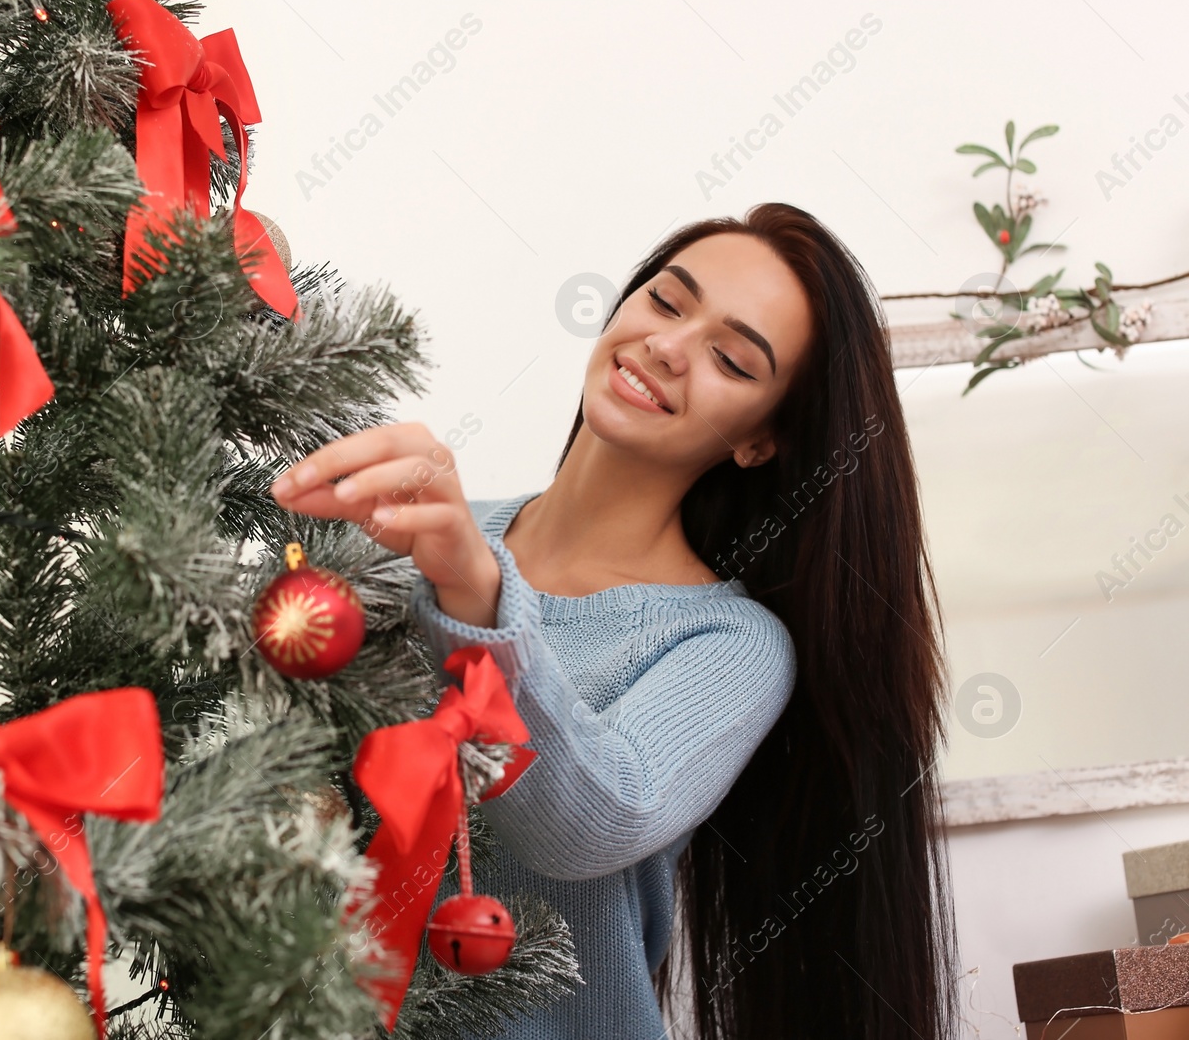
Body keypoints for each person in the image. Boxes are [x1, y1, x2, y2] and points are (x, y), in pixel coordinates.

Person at [269, 203, 957, 1040]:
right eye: (666, 303)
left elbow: (592, 821)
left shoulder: (728, 645)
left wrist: (474, 594)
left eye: (731, 359)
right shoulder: (415, 534)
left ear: (760, 441)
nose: (668, 347)